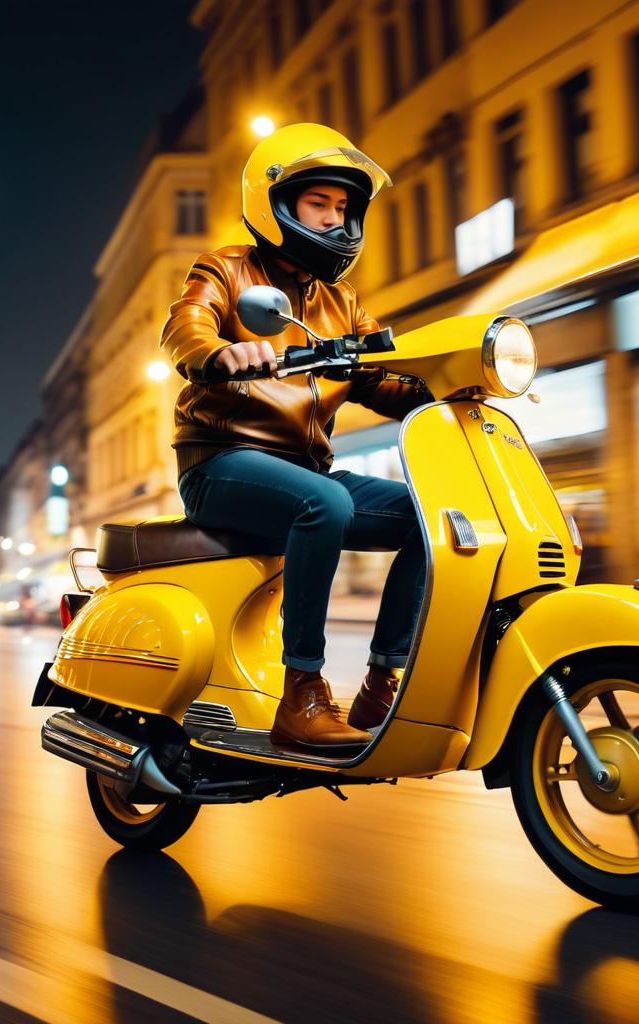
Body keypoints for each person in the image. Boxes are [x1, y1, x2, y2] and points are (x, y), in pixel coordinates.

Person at [159, 123, 431, 751]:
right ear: (276, 205)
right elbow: (186, 325)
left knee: (431, 517)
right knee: (326, 503)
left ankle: (383, 680)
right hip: (222, 464)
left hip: (304, 470)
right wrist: (218, 353)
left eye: (344, 208)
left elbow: (382, 380)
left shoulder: (342, 304)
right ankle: (302, 693)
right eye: (320, 204)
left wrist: (445, 382)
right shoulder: (225, 269)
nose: (335, 221)